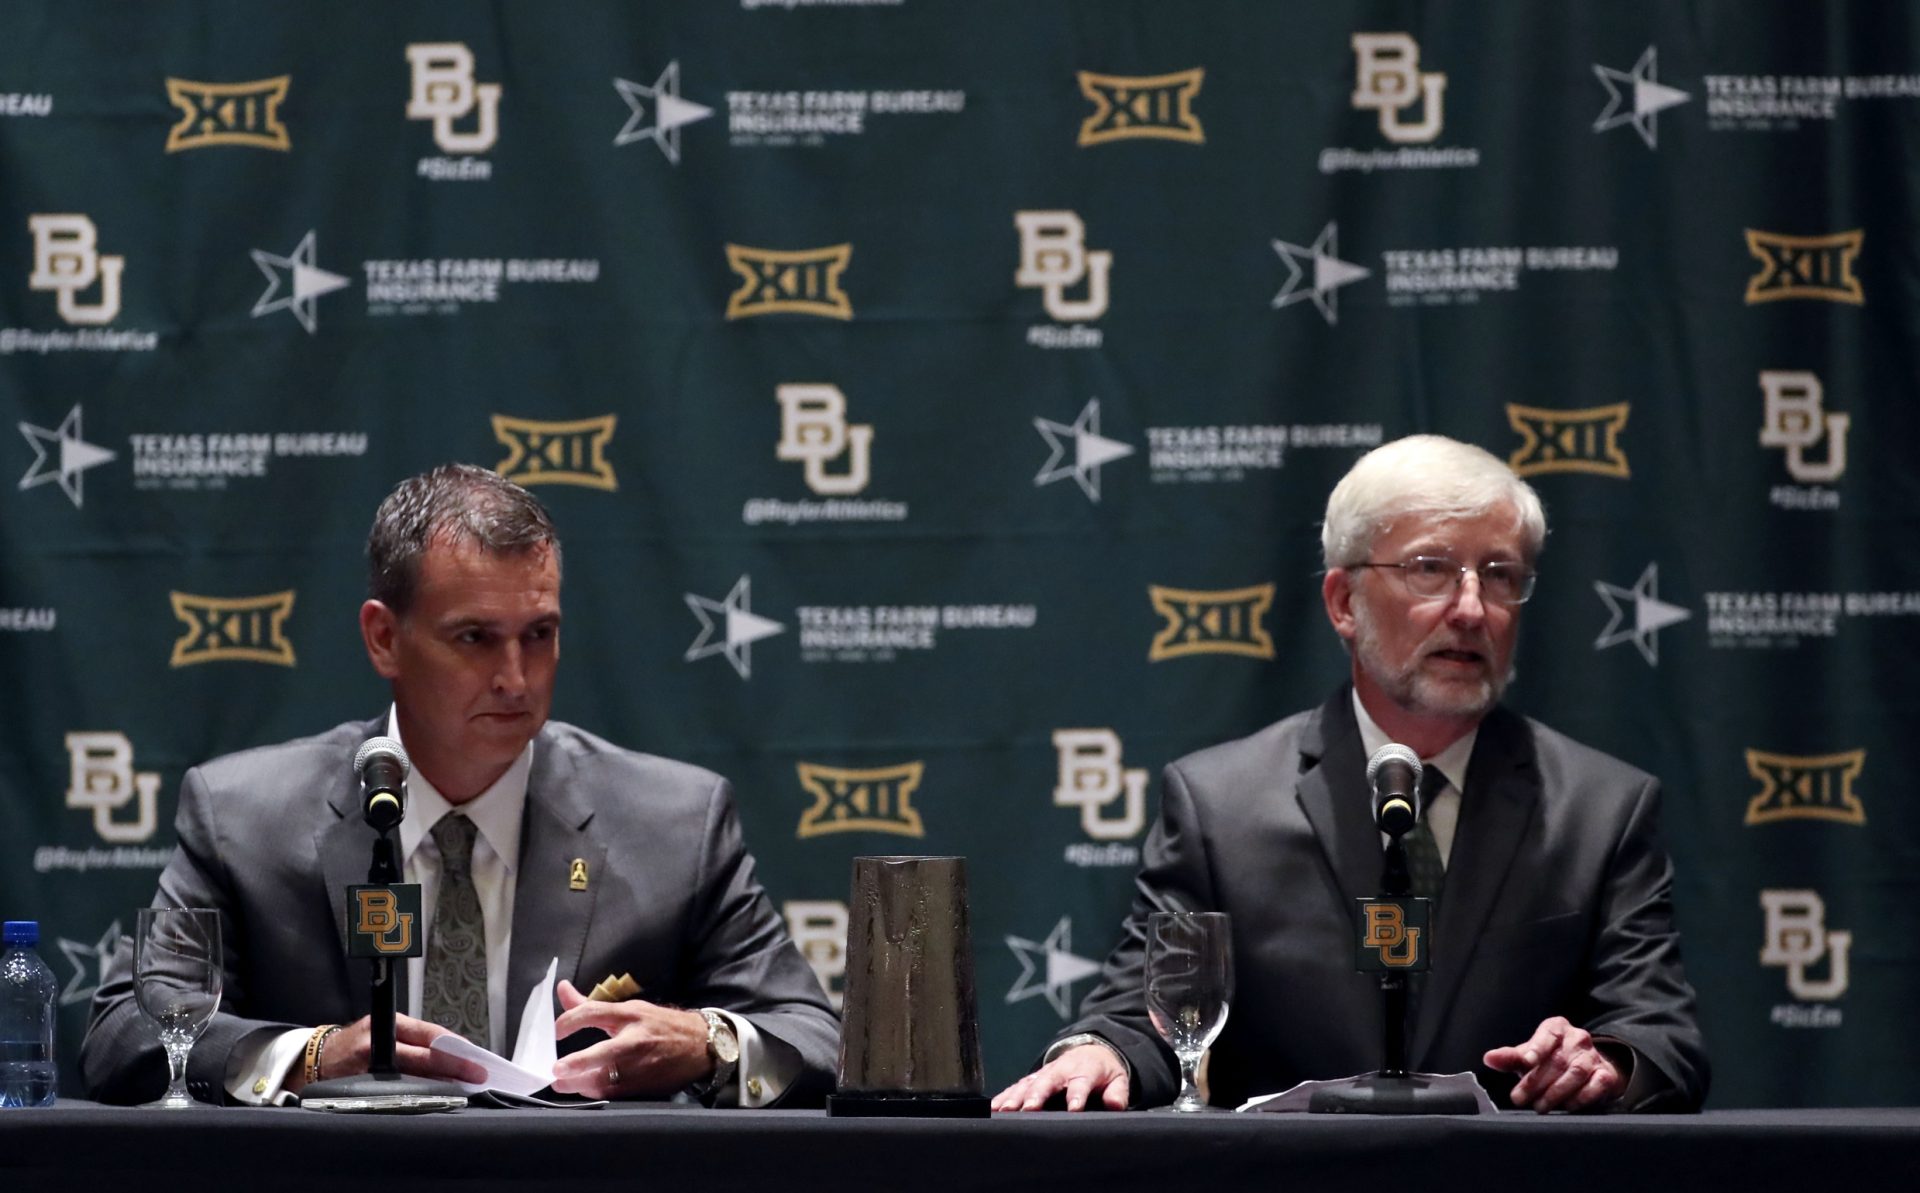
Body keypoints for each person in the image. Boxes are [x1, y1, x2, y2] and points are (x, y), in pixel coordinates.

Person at [80, 464, 838, 1106]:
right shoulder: (245, 819)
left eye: (539, 634)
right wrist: (310, 1057)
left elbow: (818, 1035)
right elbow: (125, 1029)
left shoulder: (674, 825)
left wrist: (708, 1041)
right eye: (474, 638)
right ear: (384, 637)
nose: (516, 678)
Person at [993, 435, 1707, 1114]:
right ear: (1343, 602)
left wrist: (1605, 1062)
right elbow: (1146, 1014)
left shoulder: (1602, 807)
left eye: (1500, 575)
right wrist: (1101, 1053)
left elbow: (1661, 1038)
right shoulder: (1219, 805)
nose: (1470, 608)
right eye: (1430, 568)